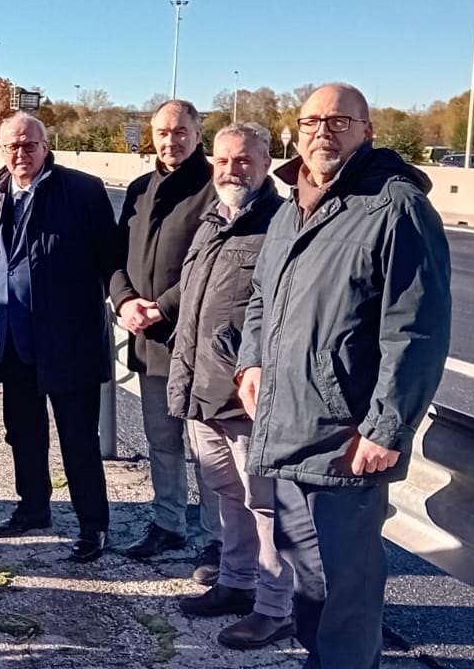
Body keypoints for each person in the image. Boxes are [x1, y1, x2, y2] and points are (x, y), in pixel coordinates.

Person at [236, 83, 451, 668]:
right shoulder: (290, 208)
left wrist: (387, 425)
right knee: (311, 581)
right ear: (295, 132)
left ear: (367, 131)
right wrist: (250, 360)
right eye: (311, 123)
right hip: (284, 424)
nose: (322, 133)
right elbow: (261, 299)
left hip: (346, 435)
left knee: (347, 591)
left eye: (338, 122)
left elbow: (417, 330)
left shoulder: (396, 207)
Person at [166, 123, 294, 649]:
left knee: (267, 505)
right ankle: (236, 583)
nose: (231, 170)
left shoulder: (281, 224)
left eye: (243, 161)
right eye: (223, 160)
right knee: (228, 497)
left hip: (247, 395)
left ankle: (276, 606)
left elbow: (281, 315)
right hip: (203, 389)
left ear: (266, 164)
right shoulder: (212, 219)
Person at [0, 113, 116, 562]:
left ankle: (93, 525)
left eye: (29, 145)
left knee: (78, 437)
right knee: (24, 432)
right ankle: (33, 507)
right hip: (12, 339)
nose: (21, 154)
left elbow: (109, 258)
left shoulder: (81, 191)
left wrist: (126, 300)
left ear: (45, 145)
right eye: (12, 147)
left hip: (67, 341)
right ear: (2, 150)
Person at [108, 99, 221, 566]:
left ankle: (219, 539)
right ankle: (169, 523)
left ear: (198, 134)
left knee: (210, 451)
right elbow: (114, 257)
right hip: (149, 341)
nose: (170, 140)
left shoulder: (216, 188)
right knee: (162, 441)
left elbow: (215, 265)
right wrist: (124, 300)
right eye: (162, 132)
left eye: (180, 131)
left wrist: (162, 307)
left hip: (199, 344)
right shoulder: (138, 189)